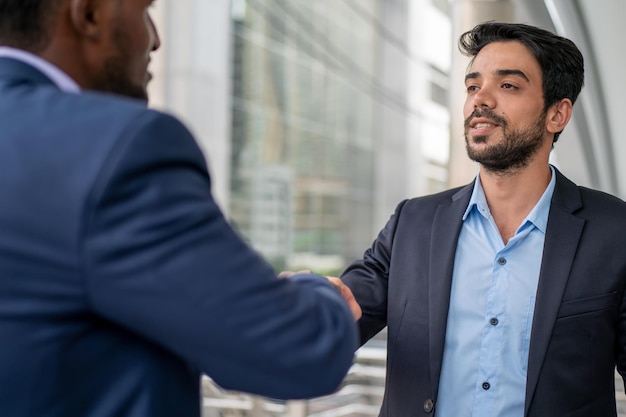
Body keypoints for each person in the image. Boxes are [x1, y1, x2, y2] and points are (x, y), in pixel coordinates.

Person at [0, 1, 361, 416]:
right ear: (90, 15)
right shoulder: (117, 148)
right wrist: (319, 293)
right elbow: (299, 349)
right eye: (143, 12)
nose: (155, 38)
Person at [340, 21, 626, 417]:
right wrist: (308, 307)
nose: (480, 99)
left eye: (507, 85)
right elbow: (344, 312)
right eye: (473, 86)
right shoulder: (413, 223)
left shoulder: (615, 231)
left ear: (557, 114)